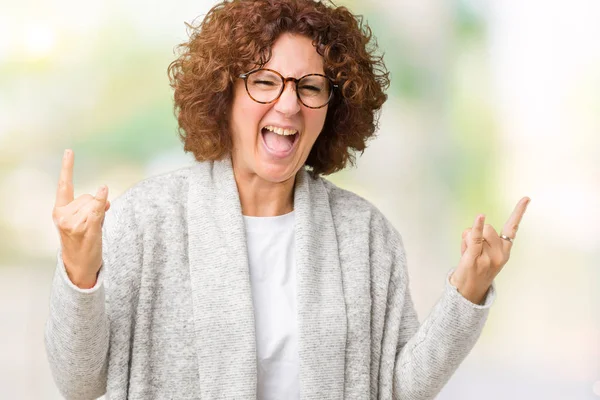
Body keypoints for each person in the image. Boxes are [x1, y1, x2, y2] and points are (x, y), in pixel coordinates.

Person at [45, 0, 530, 399]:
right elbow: (80, 382)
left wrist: (468, 293)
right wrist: (79, 273)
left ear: (332, 108)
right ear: (225, 93)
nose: (289, 104)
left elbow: (398, 389)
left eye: (311, 87)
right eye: (264, 81)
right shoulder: (149, 219)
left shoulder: (365, 236)